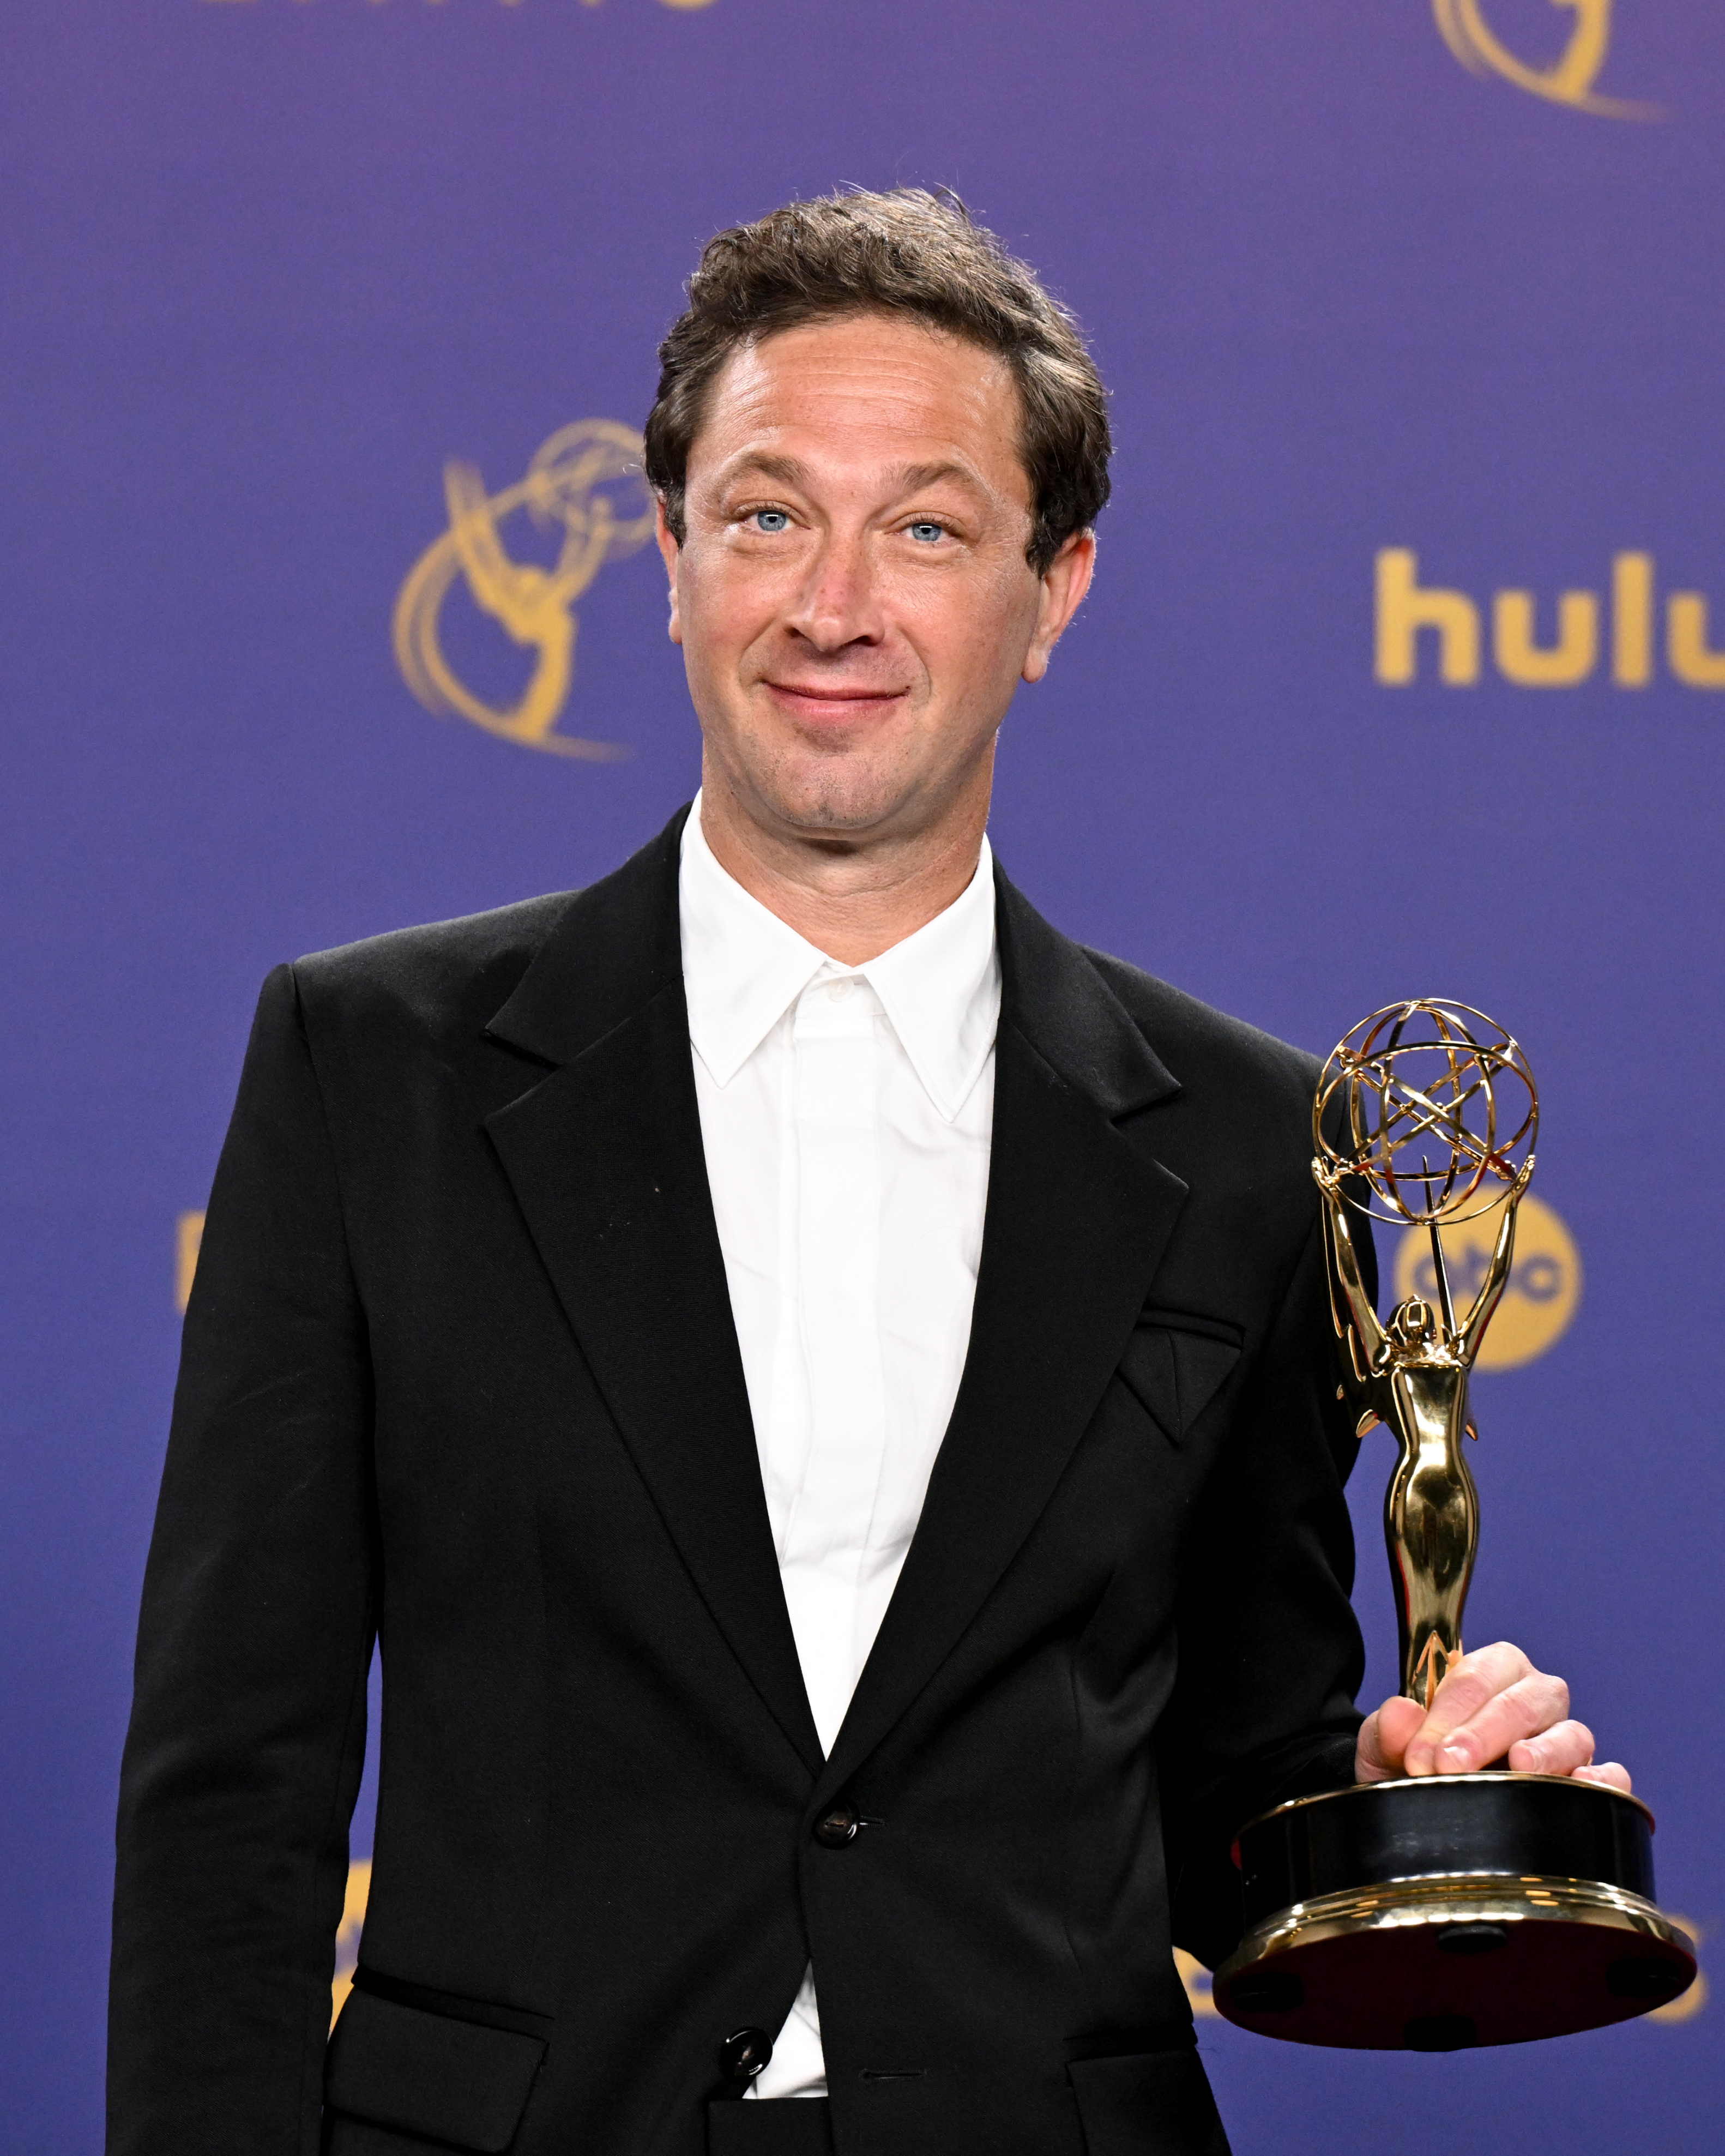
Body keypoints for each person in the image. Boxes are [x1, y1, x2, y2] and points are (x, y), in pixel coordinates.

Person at [107, 190, 1627, 2156]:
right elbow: (233, 1782)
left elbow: (1222, 1811)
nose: (833, 602)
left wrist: (1403, 1795)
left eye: (923, 526)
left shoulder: (1253, 1139)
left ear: (1054, 587)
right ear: (664, 559)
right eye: (763, 514)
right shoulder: (369, 1068)